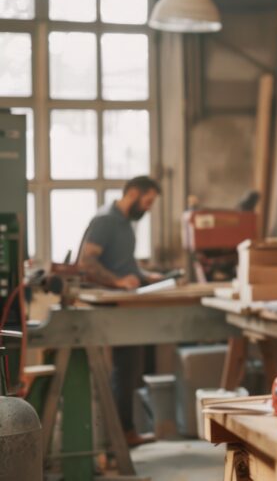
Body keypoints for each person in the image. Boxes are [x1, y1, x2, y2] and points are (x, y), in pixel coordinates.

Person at [77, 175, 162, 445]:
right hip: (111, 306)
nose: (148, 209)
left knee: (128, 368)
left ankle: (125, 434)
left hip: (128, 305)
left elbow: (123, 264)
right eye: (147, 202)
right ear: (134, 193)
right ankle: (116, 438)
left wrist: (146, 275)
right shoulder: (106, 219)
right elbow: (87, 261)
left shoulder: (126, 224)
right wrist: (117, 281)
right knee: (122, 371)